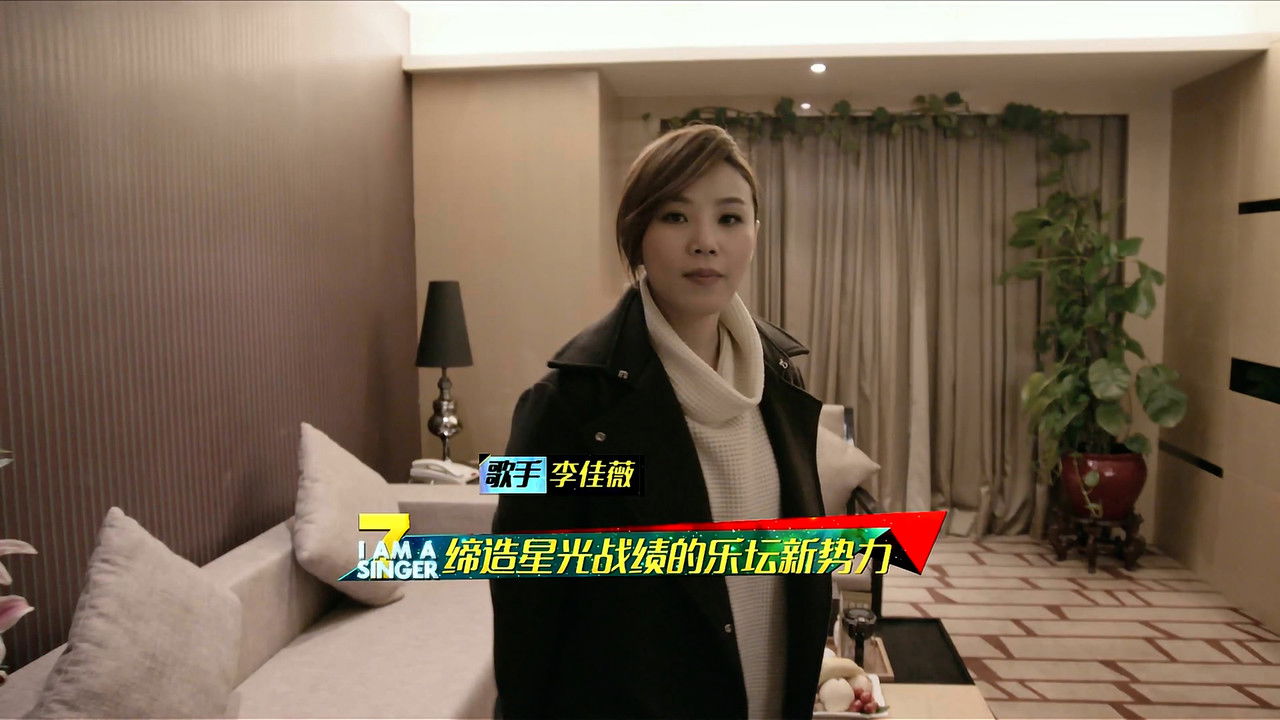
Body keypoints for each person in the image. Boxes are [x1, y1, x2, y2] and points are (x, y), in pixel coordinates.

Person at [490, 123, 829, 719]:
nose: (706, 242)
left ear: (754, 233)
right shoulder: (564, 406)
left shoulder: (782, 378)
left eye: (730, 218)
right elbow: (525, 620)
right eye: (675, 217)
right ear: (636, 234)